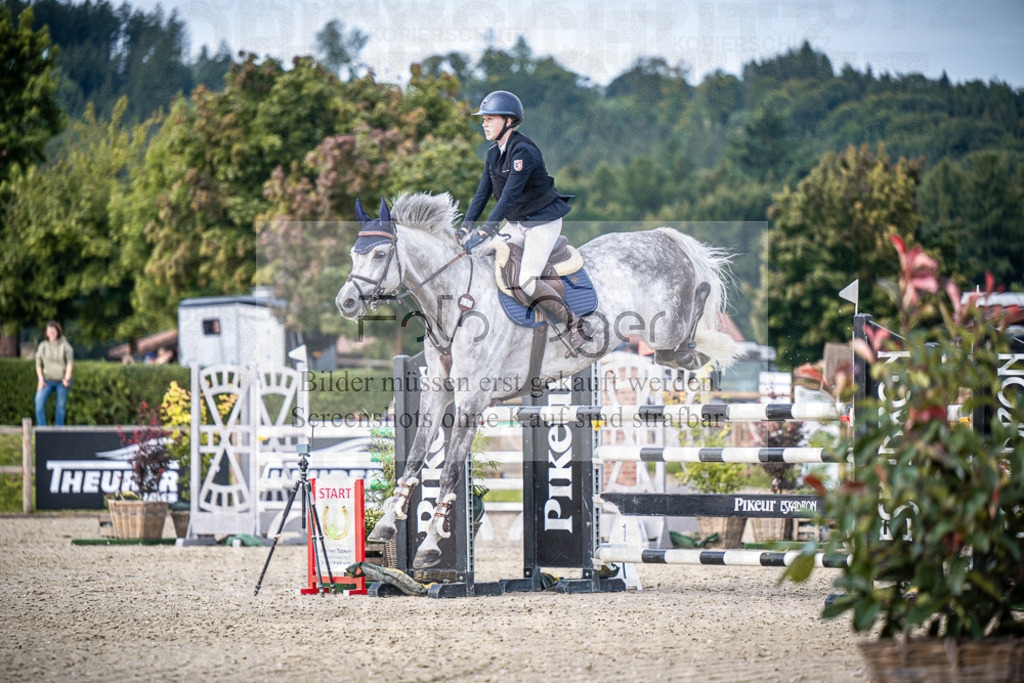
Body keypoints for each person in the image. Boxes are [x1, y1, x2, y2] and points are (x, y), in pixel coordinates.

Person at [457, 90, 589, 354]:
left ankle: (576, 324)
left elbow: (507, 198)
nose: (484, 123)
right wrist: (465, 226)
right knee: (479, 258)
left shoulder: (523, 152)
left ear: (508, 121)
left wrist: (485, 231)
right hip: (517, 223)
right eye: (483, 119)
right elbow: (482, 194)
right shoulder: (494, 154)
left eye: (490, 119)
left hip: (542, 224)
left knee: (527, 280)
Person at [35, 321, 73, 426]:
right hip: (47, 381)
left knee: (60, 406)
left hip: (62, 381)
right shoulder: (42, 346)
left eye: (53, 330)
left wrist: (67, 378)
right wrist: (40, 379)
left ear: (57, 331)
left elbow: (69, 363)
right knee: (39, 402)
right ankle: (42, 430)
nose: (51, 333)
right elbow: (38, 364)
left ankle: (58, 431)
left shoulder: (65, 345)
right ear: (46, 333)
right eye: (49, 331)